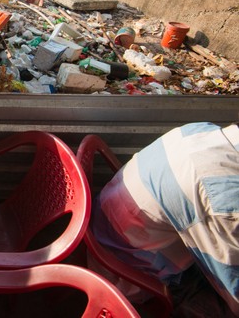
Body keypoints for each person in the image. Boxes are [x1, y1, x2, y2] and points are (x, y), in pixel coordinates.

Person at [91, 122, 239, 316]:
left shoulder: (202, 131)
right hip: (131, 280)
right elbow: (234, 290)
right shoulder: (222, 202)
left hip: (109, 241)